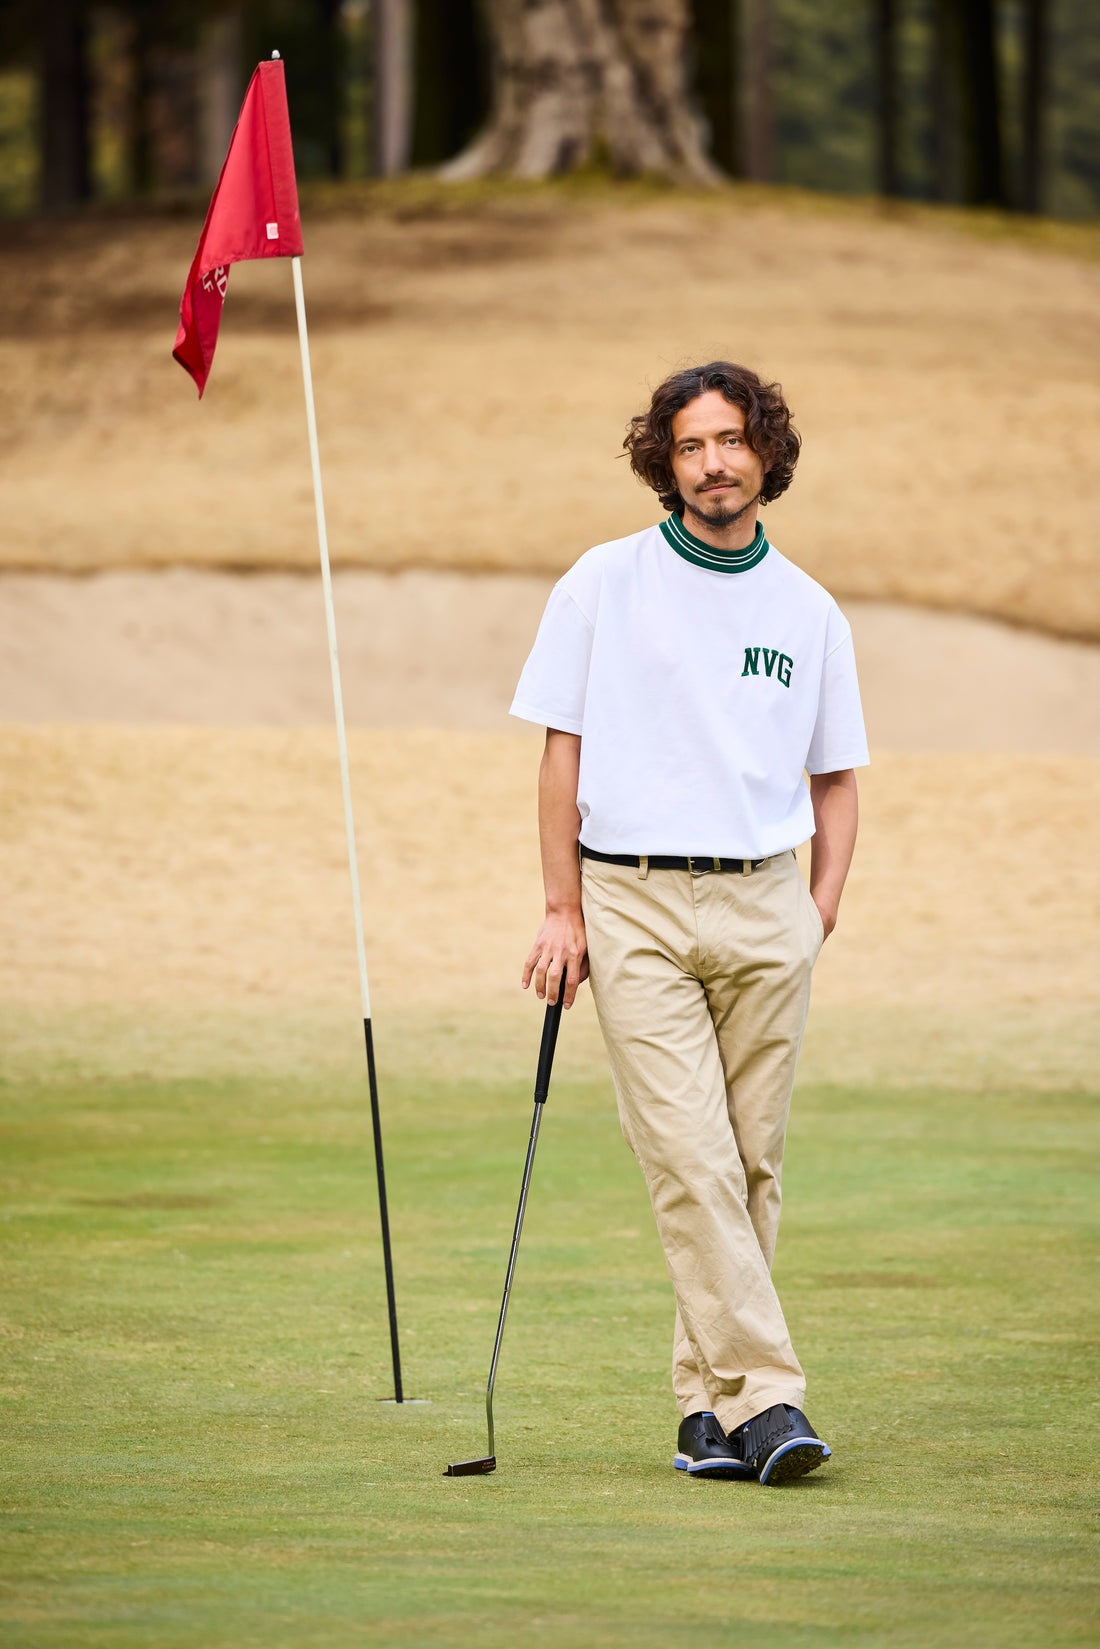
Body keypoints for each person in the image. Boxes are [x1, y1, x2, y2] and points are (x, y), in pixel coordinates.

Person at [509, 361, 868, 1486]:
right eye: (690, 445)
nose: (714, 463)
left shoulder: (808, 609)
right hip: (632, 900)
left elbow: (836, 779)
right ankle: (769, 1396)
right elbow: (560, 751)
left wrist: (816, 911)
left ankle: (704, 1414)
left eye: (731, 440)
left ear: (766, 452)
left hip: (767, 901)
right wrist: (561, 907)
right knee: (688, 1155)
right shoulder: (603, 581)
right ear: (663, 463)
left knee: (749, 1163)